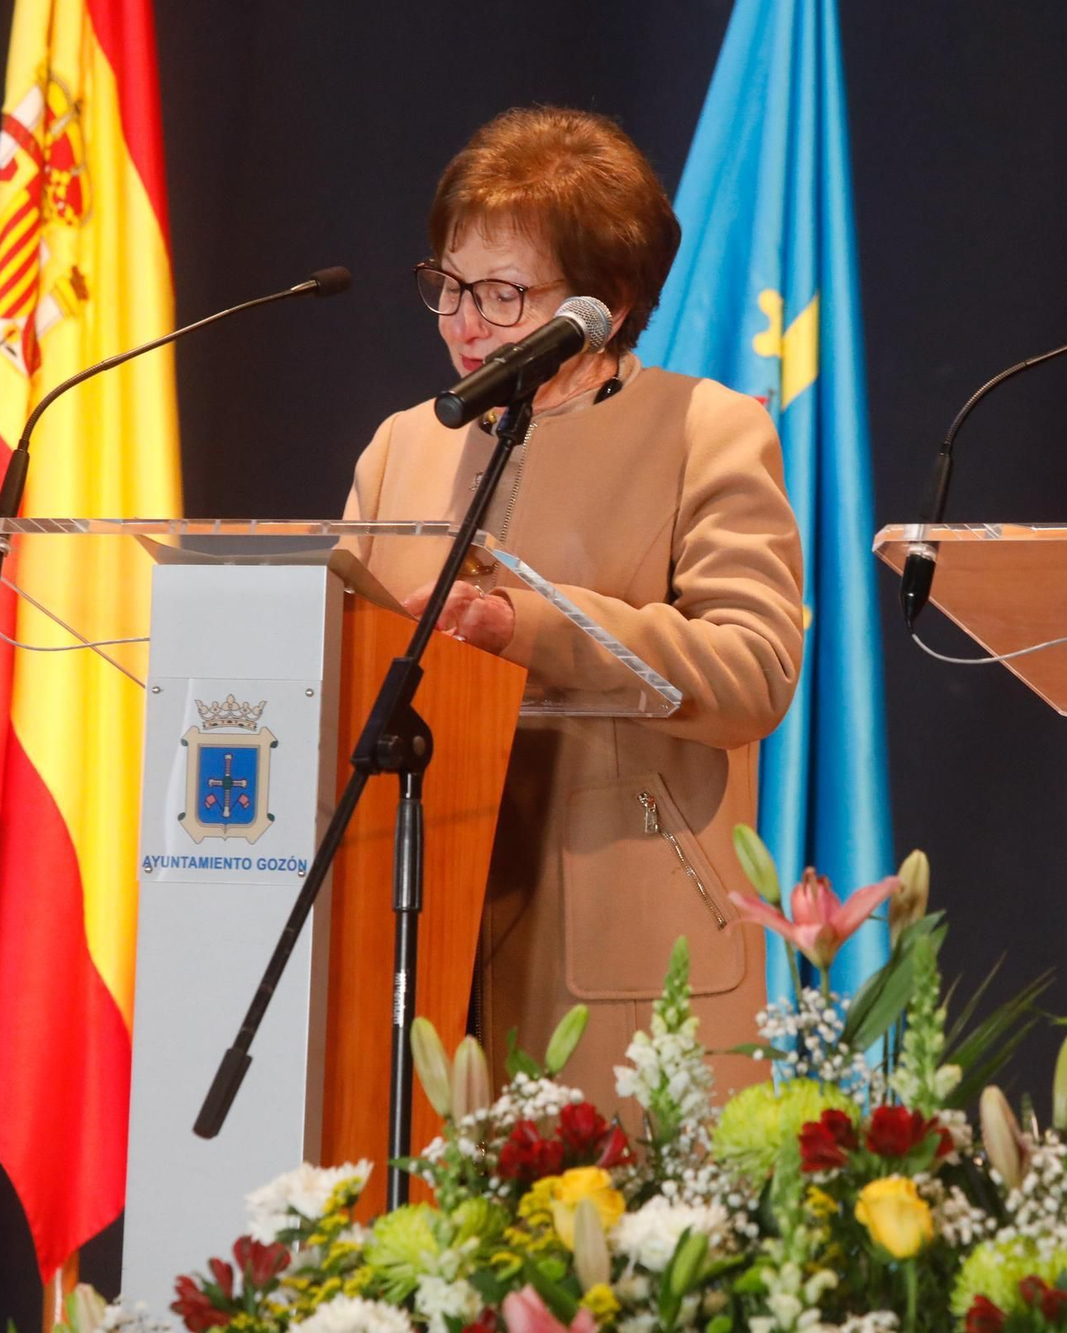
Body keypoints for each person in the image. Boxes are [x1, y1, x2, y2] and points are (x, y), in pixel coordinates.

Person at [341, 106, 803, 1110]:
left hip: (620, 950)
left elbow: (754, 669)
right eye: (449, 286)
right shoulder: (400, 448)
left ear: (608, 300)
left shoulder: (704, 431)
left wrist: (529, 631)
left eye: (503, 294)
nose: (466, 322)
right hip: (410, 938)